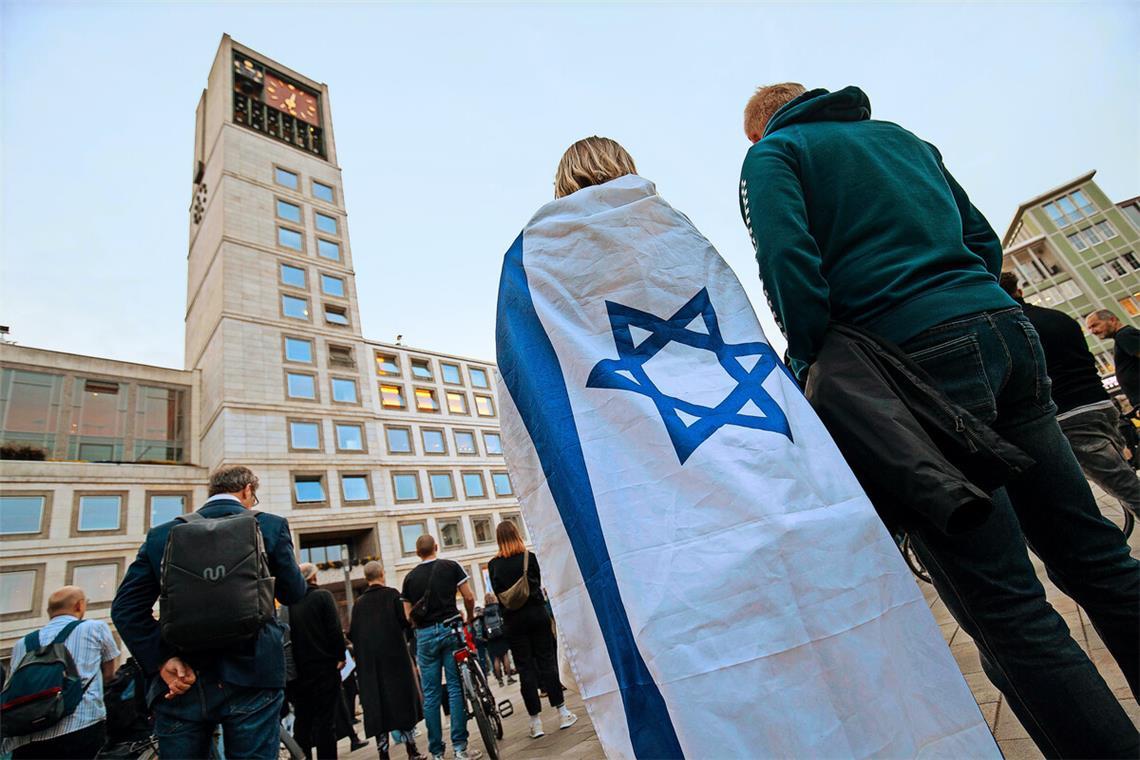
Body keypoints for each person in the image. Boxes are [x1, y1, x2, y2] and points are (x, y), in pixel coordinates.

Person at [739, 83, 1140, 757]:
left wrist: (817, 358)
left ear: (758, 131)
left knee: (1007, 606)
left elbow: (787, 264)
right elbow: (980, 237)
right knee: (1095, 556)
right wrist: (964, 297)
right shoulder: (902, 139)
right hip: (1005, 332)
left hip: (908, 367)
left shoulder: (775, 155)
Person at [111, 465, 307, 760]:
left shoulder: (161, 535)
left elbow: (125, 608)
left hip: (182, 680)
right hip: (252, 673)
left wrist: (161, 659)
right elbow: (293, 593)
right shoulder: (269, 525)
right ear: (247, 491)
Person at [999, 273, 1140, 518]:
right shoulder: (1059, 318)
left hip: (1070, 414)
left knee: (1125, 486)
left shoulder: (1013, 328)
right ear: (1019, 290)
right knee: (1119, 478)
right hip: (1101, 405)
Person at [1, 587, 119, 759]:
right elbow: (110, 676)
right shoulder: (95, 628)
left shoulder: (22, 644)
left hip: (25, 736)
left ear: (49, 611)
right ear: (79, 605)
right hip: (79, 726)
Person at [487, 521, 577, 739]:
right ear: (517, 535)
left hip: (513, 621)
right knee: (547, 661)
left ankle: (536, 723)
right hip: (536, 615)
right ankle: (562, 712)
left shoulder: (493, 565)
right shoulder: (530, 557)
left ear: (499, 539)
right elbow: (536, 587)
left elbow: (499, 595)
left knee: (525, 668)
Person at [400, 535, 481, 760]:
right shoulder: (451, 567)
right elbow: (469, 596)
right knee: (455, 688)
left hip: (425, 637)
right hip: (451, 628)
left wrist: (423, 627)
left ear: (417, 553)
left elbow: (407, 615)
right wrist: (470, 615)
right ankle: (459, 748)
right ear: (436, 547)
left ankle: (436, 752)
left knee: (431, 693)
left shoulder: (409, 578)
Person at [349, 561, 427, 760]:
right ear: (382, 574)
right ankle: (411, 749)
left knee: (378, 707)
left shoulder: (358, 604)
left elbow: (354, 634)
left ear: (367, 578)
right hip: (395, 660)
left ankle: (383, 753)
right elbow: (405, 622)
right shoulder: (392, 595)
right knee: (402, 702)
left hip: (370, 665)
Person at [288, 563, 350, 759]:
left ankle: (302, 756)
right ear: (314, 576)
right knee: (325, 721)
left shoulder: (289, 605)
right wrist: (340, 656)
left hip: (298, 673)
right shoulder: (322, 597)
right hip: (324, 668)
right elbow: (334, 630)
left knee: (302, 721)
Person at [1086, 309, 1140, 408]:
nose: (1092, 331)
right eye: (1089, 328)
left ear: (1112, 320)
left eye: (1095, 325)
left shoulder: (1124, 335)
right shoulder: (1122, 337)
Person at [481, 593, 513, 687]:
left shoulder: (484, 612)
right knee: (505, 655)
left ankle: (500, 680)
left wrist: (485, 637)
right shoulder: (498, 608)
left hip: (491, 637)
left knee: (496, 659)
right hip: (501, 634)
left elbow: (483, 627)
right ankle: (509, 677)